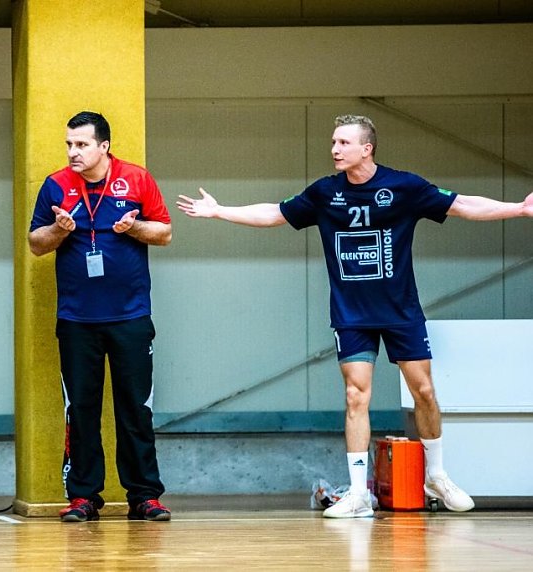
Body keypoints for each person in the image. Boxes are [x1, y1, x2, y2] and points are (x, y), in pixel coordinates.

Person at [177, 114, 533, 518]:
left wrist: (518, 209)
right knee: (354, 395)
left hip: (401, 312)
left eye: (344, 143)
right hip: (352, 315)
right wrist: (220, 211)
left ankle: (436, 474)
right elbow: (275, 213)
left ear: (367, 148)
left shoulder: (404, 186)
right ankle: (359, 493)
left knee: (425, 392)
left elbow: (463, 205)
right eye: (333, 142)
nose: (334, 149)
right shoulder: (325, 193)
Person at [28, 111, 173, 522]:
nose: (73, 152)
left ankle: (144, 495)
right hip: (77, 319)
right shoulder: (56, 185)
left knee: (135, 409)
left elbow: (164, 233)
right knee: (81, 409)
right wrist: (60, 230)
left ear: (104, 147)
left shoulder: (137, 179)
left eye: (81, 145)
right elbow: (36, 243)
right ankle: (84, 497)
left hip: (130, 316)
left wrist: (134, 228)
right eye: (69, 144)